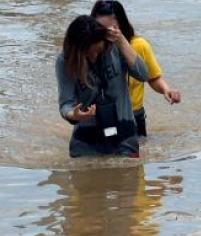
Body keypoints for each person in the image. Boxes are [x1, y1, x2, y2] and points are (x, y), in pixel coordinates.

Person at [56, 15, 149, 158]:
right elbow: (66, 103)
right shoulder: (65, 61)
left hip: (124, 134)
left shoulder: (115, 47)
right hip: (86, 140)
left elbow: (143, 75)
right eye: (88, 53)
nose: (93, 56)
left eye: (98, 51)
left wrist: (122, 41)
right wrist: (73, 115)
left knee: (128, 178)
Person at [90, 0, 182, 137]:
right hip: (100, 117)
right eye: (100, 29)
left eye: (110, 30)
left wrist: (166, 90)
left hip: (133, 116)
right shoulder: (90, 51)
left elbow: (152, 77)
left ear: (121, 26)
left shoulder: (138, 45)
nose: (105, 35)